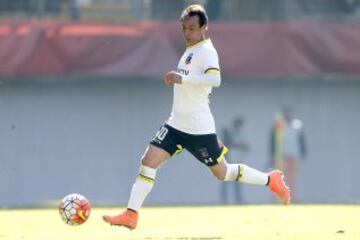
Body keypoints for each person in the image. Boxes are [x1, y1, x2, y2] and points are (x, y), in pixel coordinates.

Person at [103, 4, 290, 230]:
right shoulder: (191, 50)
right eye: (184, 28)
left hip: (198, 129)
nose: (187, 33)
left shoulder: (207, 51)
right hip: (175, 124)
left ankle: (271, 180)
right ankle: (131, 214)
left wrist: (182, 79)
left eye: (192, 28)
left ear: (204, 28)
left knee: (222, 173)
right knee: (147, 162)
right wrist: (183, 80)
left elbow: (215, 80)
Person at [270, 107, 306, 201]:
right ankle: (278, 199)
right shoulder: (279, 125)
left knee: (292, 179)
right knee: (280, 178)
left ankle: (293, 198)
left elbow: (302, 141)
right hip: (282, 156)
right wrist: (273, 155)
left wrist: (302, 155)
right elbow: (273, 140)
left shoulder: (297, 125)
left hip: (294, 155)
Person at [220, 116, 249, 204]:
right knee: (225, 180)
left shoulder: (240, 133)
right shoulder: (229, 132)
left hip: (237, 160)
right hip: (229, 160)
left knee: (238, 181)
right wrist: (240, 145)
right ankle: (224, 201)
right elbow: (228, 143)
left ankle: (238, 200)